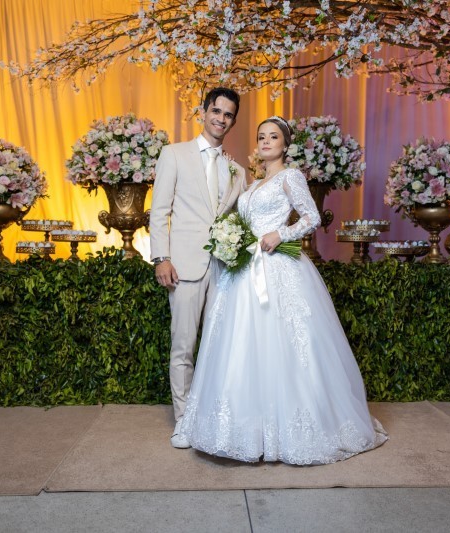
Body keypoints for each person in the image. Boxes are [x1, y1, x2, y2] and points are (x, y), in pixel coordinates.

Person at [180, 116, 388, 464]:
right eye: (261, 136)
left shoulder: (291, 177)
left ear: (285, 144)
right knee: (241, 346)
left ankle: (292, 431)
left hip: (278, 268)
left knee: (285, 344)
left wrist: (281, 234)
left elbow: (312, 217)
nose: (265, 141)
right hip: (245, 271)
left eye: (273, 137)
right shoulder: (254, 184)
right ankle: (243, 431)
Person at [150, 87, 247, 449]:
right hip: (184, 266)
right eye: (216, 111)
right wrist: (161, 257)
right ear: (204, 112)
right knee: (184, 346)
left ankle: (214, 419)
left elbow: (239, 219)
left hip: (225, 269)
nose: (221, 119)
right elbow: (159, 211)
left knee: (220, 348)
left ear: (233, 121)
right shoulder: (174, 154)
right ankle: (184, 421)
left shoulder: (237, 170)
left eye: (228, 115)